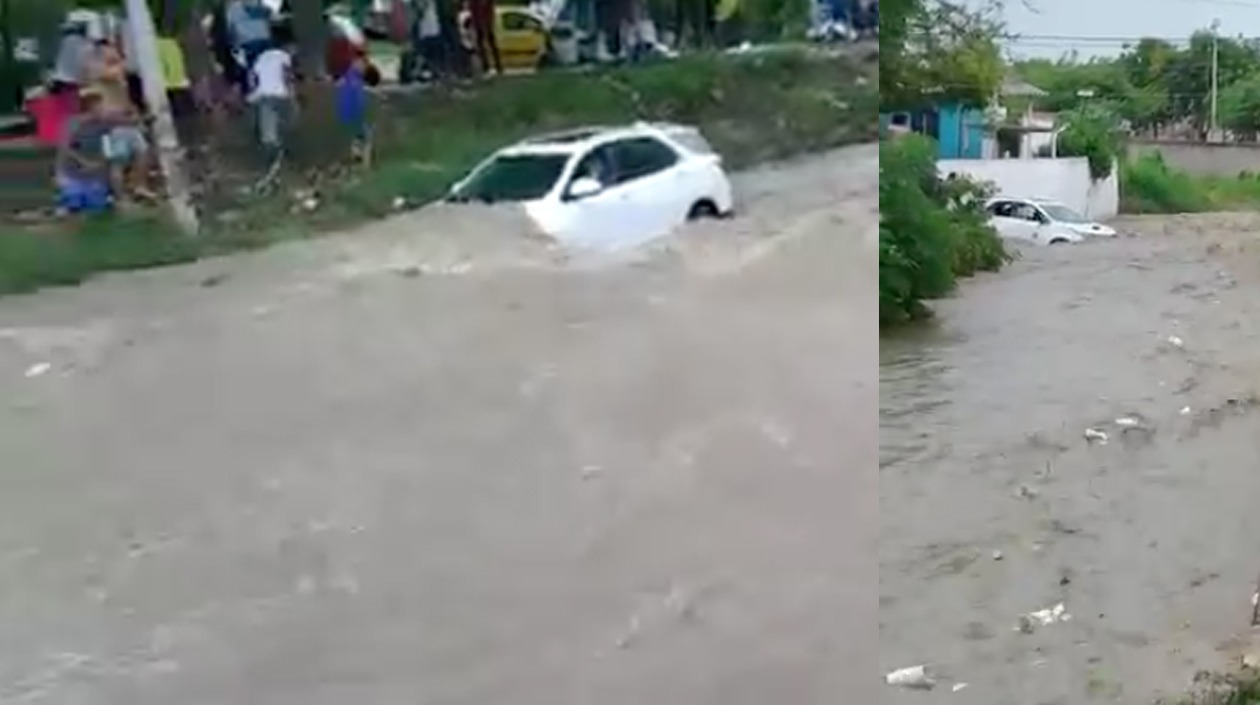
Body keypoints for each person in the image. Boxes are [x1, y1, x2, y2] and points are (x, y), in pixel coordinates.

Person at [54, 89, 113, 214]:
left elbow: (107, 150)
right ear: (92, 108)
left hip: (94, 176)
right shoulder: (73, 123)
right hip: (71, 174)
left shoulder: (103, 125)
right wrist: (84, 162)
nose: (106, 109)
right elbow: (64, 147)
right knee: (72, 207)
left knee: (96, 209)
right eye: (102, 106)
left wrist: (102, 166)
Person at [247, 43, 293, 157]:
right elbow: (285, 73)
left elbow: (251, 74)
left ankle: (268, 143)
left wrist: (254, 88)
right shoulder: (284, 56)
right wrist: (291, 89)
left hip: (263, 93)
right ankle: (279, 145)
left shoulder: (263, 56)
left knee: (267, 118)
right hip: (280, 92)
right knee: (285, 116)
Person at [226, 0, 274, 88]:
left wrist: (234, 44)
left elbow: (231, 29)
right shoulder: (255, 3)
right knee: (267, 65)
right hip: (263, 38)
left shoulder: (232, 9)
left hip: (247, 41)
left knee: (253, 67)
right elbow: (268, 13)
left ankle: (256, 88)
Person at [50, 20, 93, 116]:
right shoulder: (84, 43)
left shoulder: (63, 41)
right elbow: (85, 63)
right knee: (74, 108)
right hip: (74, 80)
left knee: (60, 106)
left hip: (60, 78)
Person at [336, 55, 371, 165]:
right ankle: (363, 161)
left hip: (349, 113)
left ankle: (356, 155)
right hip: (353, 113)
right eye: (362, 66)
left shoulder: (351, 76)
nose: (364, 69)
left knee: (358, 136)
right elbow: (357, 98)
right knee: (364, 136)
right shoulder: (353, 78)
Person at [467, 0, 501, 75]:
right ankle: (487, 66)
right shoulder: (474, 3)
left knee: (488, 43)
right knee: (483, 44)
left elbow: (488, 11)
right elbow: (473, 12)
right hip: (480, 24)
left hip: (485, 24)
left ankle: (495, 66)